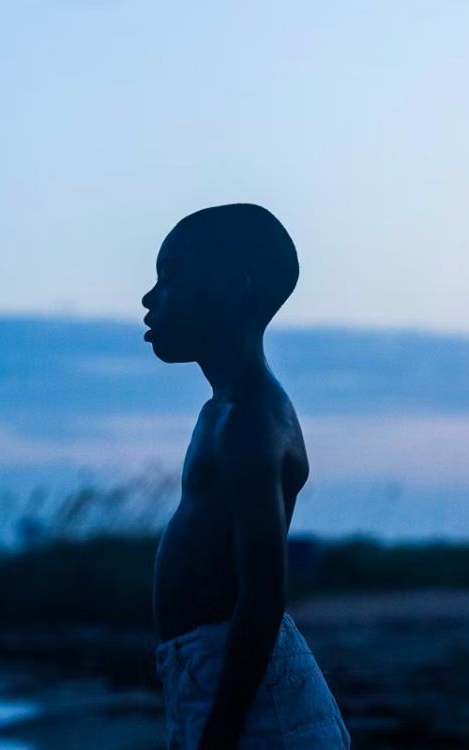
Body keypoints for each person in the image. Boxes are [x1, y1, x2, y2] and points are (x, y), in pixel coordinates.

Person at [142, 204, 349, 749]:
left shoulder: (252, 421)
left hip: (258, 701)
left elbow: (261, 599)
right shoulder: (223, 413)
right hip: (213, 674)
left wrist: (221, 732)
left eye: (171, 276)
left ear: (237, 286)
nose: (150, 297)